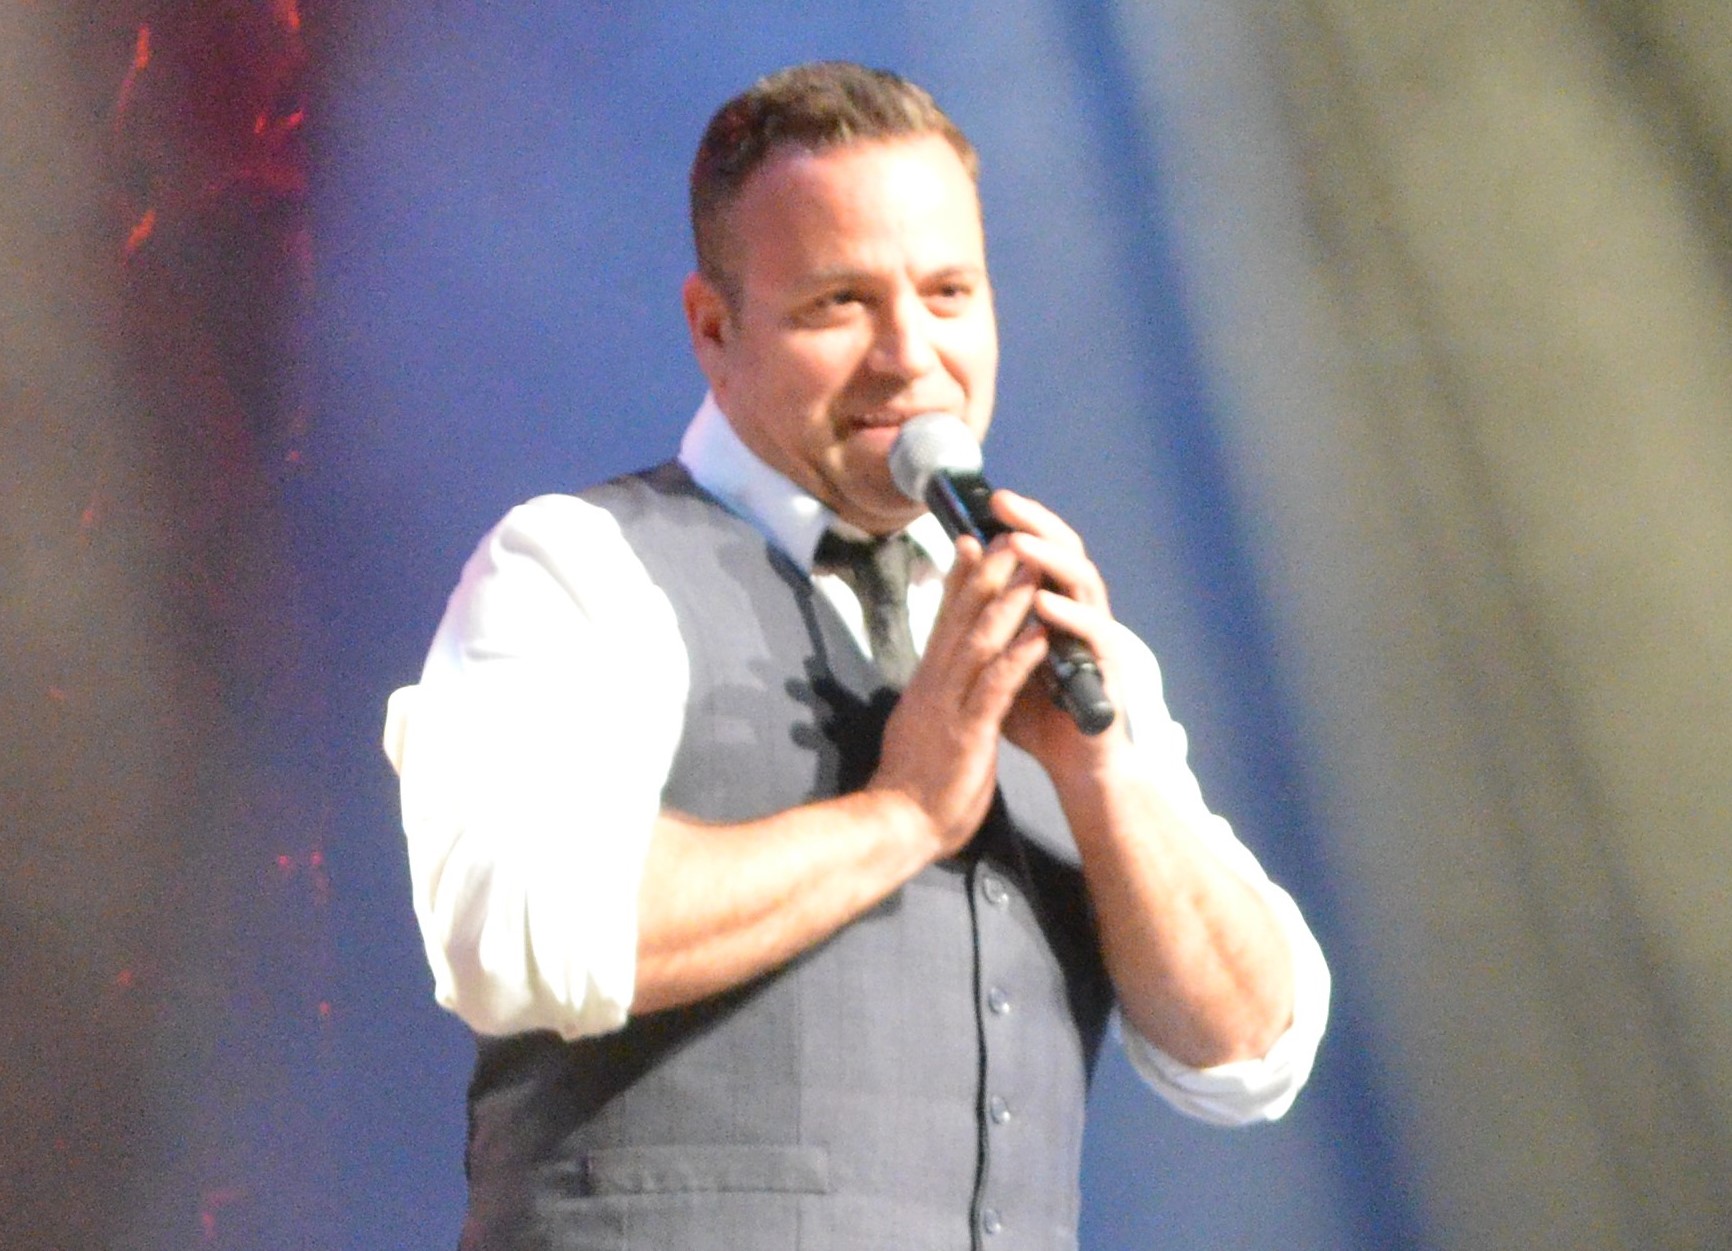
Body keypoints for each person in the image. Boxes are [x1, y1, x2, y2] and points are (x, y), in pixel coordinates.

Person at [385, 61, 1329, 1251]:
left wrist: (1101, 778)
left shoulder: (1061, 635)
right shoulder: (577, 568)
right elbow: (514, 933)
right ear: (714, 329)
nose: (910, 357)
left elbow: (1251, 1053)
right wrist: (901, 816)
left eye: (948, 293)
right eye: (841, 304)